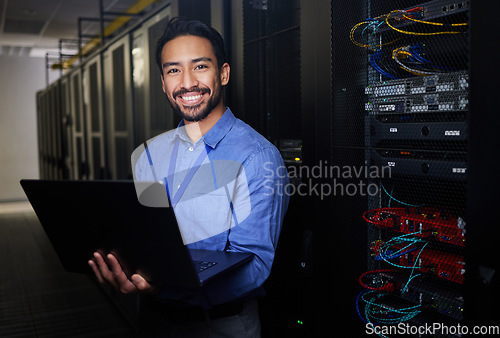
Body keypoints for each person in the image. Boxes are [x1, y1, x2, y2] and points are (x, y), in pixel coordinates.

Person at [88, 17, 289, 337]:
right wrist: (122, 267)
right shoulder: (149, 157)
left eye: (199, 66)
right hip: (152, 322)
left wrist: (162, 289)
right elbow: (146, 239)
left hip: (221, 326)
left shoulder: (257, 158)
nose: (187, 82)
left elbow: (254, 269)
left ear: (223, 73)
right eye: (173, 70)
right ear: (163, 83)